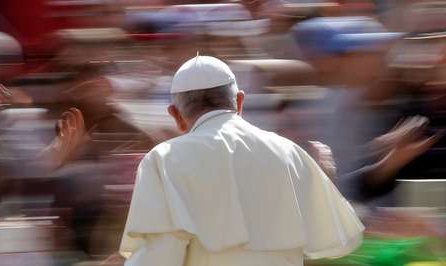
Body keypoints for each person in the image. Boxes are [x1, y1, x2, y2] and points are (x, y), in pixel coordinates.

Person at [117, 55, 364, 266]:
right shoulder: (290, 153)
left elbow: (159, 256)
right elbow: (340, 241)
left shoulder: (163, 159)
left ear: (175, 114)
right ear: (239, 102)